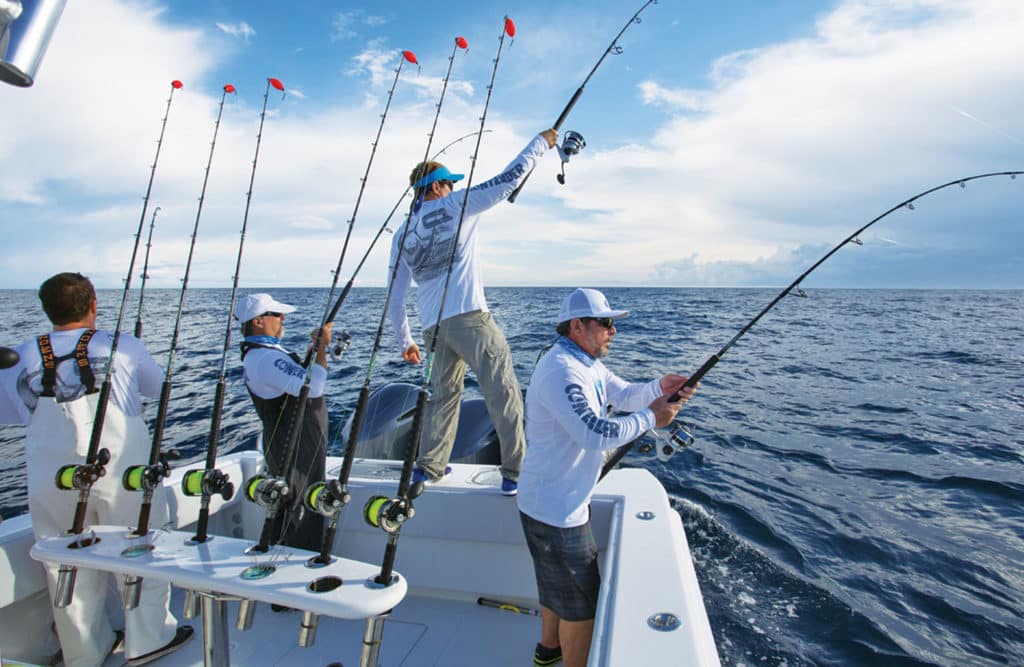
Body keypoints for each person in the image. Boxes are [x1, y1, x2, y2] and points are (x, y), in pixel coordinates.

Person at [0, 272, 192, 667]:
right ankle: (149, 640)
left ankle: (83, 652)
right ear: (93, 306)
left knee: (63, 563)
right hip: (123, 472)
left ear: (45, 309)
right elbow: (159, 389)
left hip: (53, 480)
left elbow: (13, 415)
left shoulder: (20, 355)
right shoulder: (124, 345)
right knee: (141, 550)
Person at [517, 288, 698, 667]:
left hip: (552, 500)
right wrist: (652, 417)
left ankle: (547, 654)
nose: (613, 331)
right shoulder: (562, 370)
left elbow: (624, 394)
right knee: (580, 606)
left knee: (557, 591)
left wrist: (659, 390)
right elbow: (594, 433)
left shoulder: (585, 362)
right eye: (607, 323)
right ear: (578, 325)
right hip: (556, 509)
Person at [388, 128, 559, 495]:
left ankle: (429, 467)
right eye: (447, 183)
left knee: (443, 397)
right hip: (470, 319)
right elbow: (511, 177)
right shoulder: (454, 204)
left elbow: (395, 294)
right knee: (504, 392)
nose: (451, 187)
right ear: (435, 188)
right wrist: (540, 144)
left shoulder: (401, 233)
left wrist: (405, 340)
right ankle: (515, 472)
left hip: (434, 329)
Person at [235, 293, 332, 552]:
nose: (283, 318)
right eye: (276, 314)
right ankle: (295, 567)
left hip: (299, 445)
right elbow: (314, 387)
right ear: (257, 321)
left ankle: (287, 558)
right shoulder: (265, 358)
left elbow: (298, 379)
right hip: (294, 448)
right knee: (301, 512)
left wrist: (314, 353)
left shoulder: (266, 354)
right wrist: (322, 348)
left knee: (301, 506)